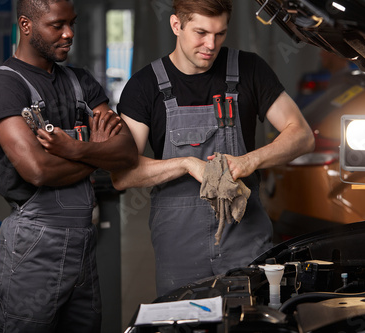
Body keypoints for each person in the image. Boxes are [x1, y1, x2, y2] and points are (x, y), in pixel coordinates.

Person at [112, 0, 315, 296]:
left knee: (253, 318)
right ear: (176, 25)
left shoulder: (249, 69)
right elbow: (123, 174)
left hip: (245, 237)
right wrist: (186, 163)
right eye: (201, 32)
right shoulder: (145, 86)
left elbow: (302, 135)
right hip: (178, 244)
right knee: (183, 323)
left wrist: (250, 161)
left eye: (220, 34)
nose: (211, 44)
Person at [0, 0, 137, 332]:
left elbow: (126, 154)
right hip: (33, 247)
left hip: (83, 244)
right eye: (56, 25)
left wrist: (75, 149)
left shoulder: (80, 81)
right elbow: (37, 171)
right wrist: (96, 149)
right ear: (26, 25)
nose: (69, 34)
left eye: (72, 23)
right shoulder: (6, 86)